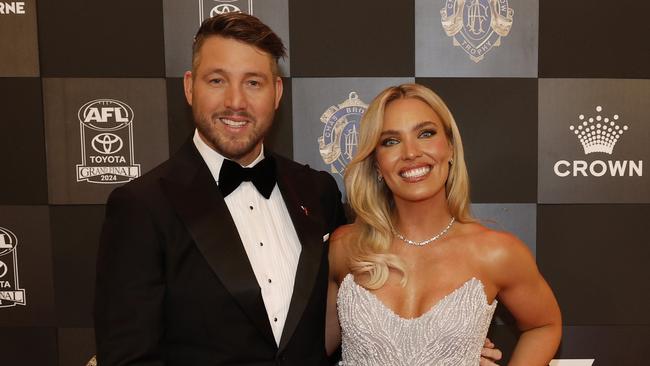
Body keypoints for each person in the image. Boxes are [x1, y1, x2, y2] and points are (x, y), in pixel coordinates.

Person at [94, 13, 346, 365]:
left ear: (276, 93)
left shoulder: (318, 191)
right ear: (189, 87)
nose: (236, 102)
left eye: (253, 83)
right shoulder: (141, 206)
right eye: (217, 80)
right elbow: (129, 357)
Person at [326, 83, 562, 365]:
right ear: (377, 164)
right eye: (390, 141)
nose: (411, 152)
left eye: (426, 134)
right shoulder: (345, 247)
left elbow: (544, 325)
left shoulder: (496, 253)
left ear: (450, 148)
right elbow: (309, 347)